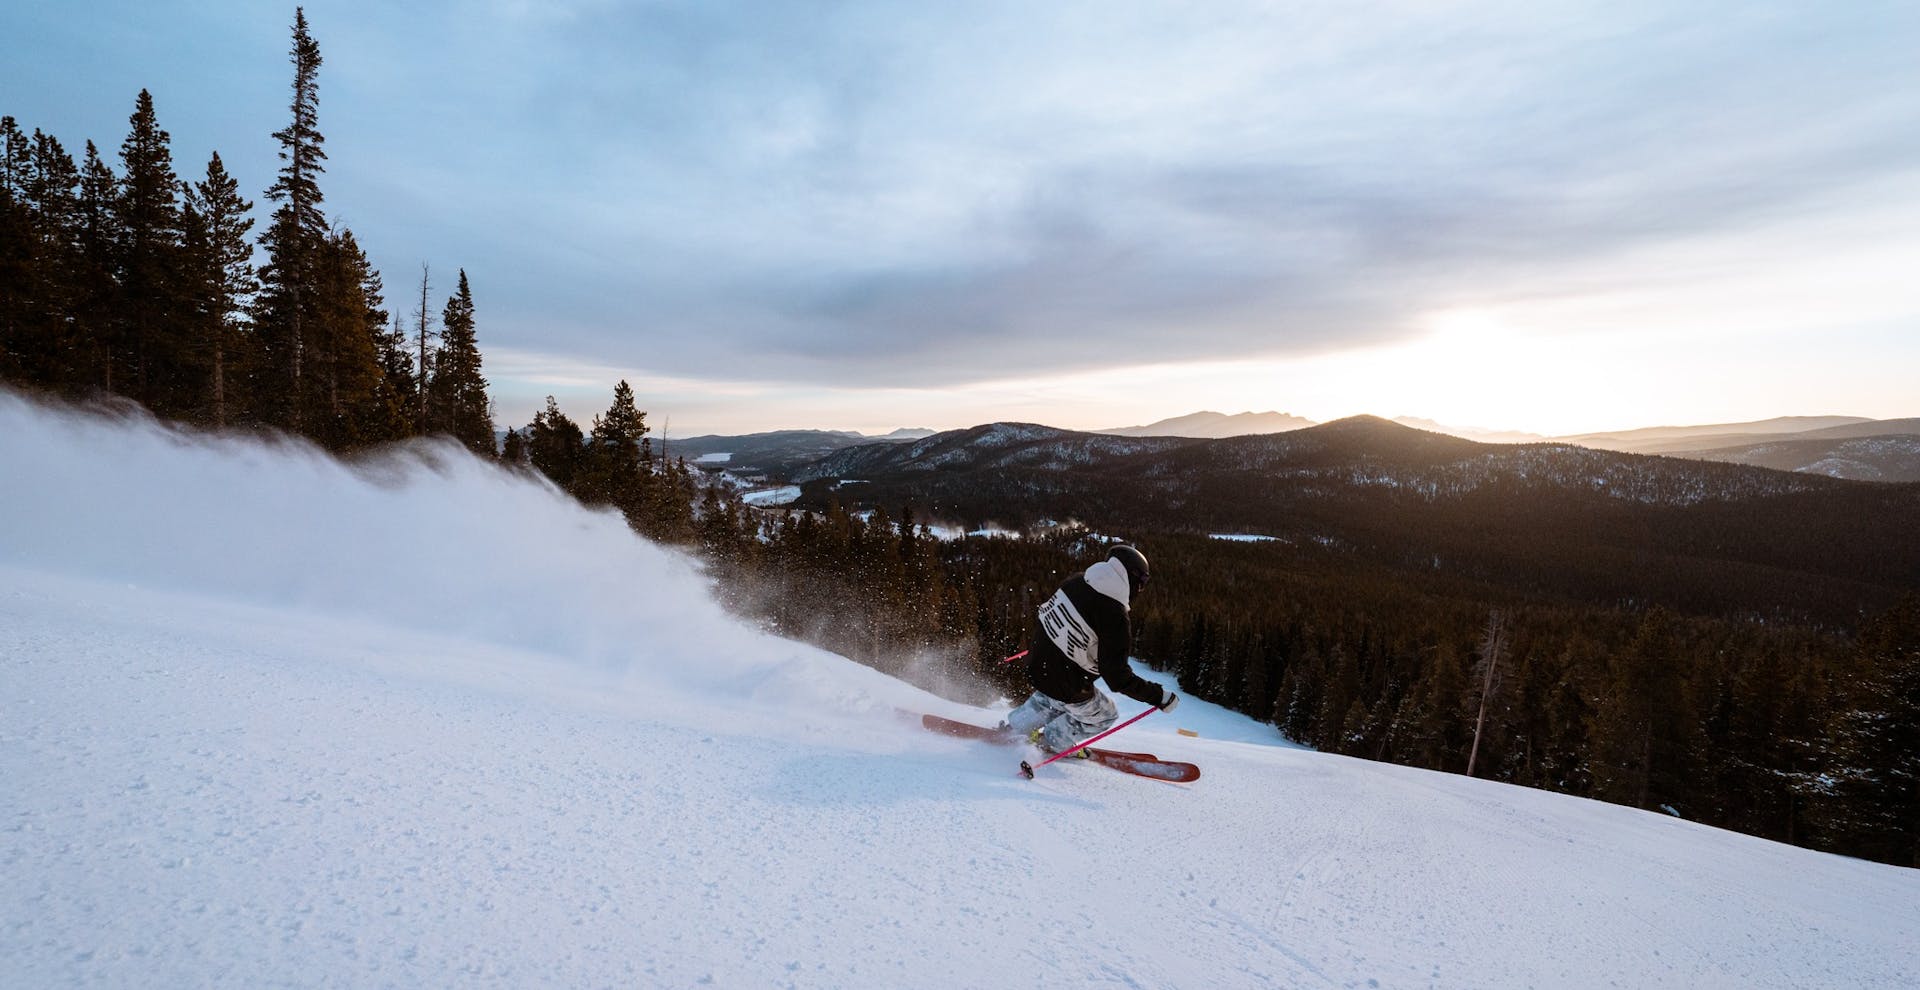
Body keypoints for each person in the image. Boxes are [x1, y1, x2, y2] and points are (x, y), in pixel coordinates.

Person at [1002, 544, 1178, 754]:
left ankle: (1016, 728)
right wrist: (1158, 696)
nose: (1141, 588)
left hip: (1037, 661)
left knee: (1053, 693)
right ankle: (1051, 742)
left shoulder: (1076, 581)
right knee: (1105, 714)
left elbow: (1052, 614)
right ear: (1132, 577)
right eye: (1142, 581)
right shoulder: (1115, 614)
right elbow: (1117, 677)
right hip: (1064, 679)